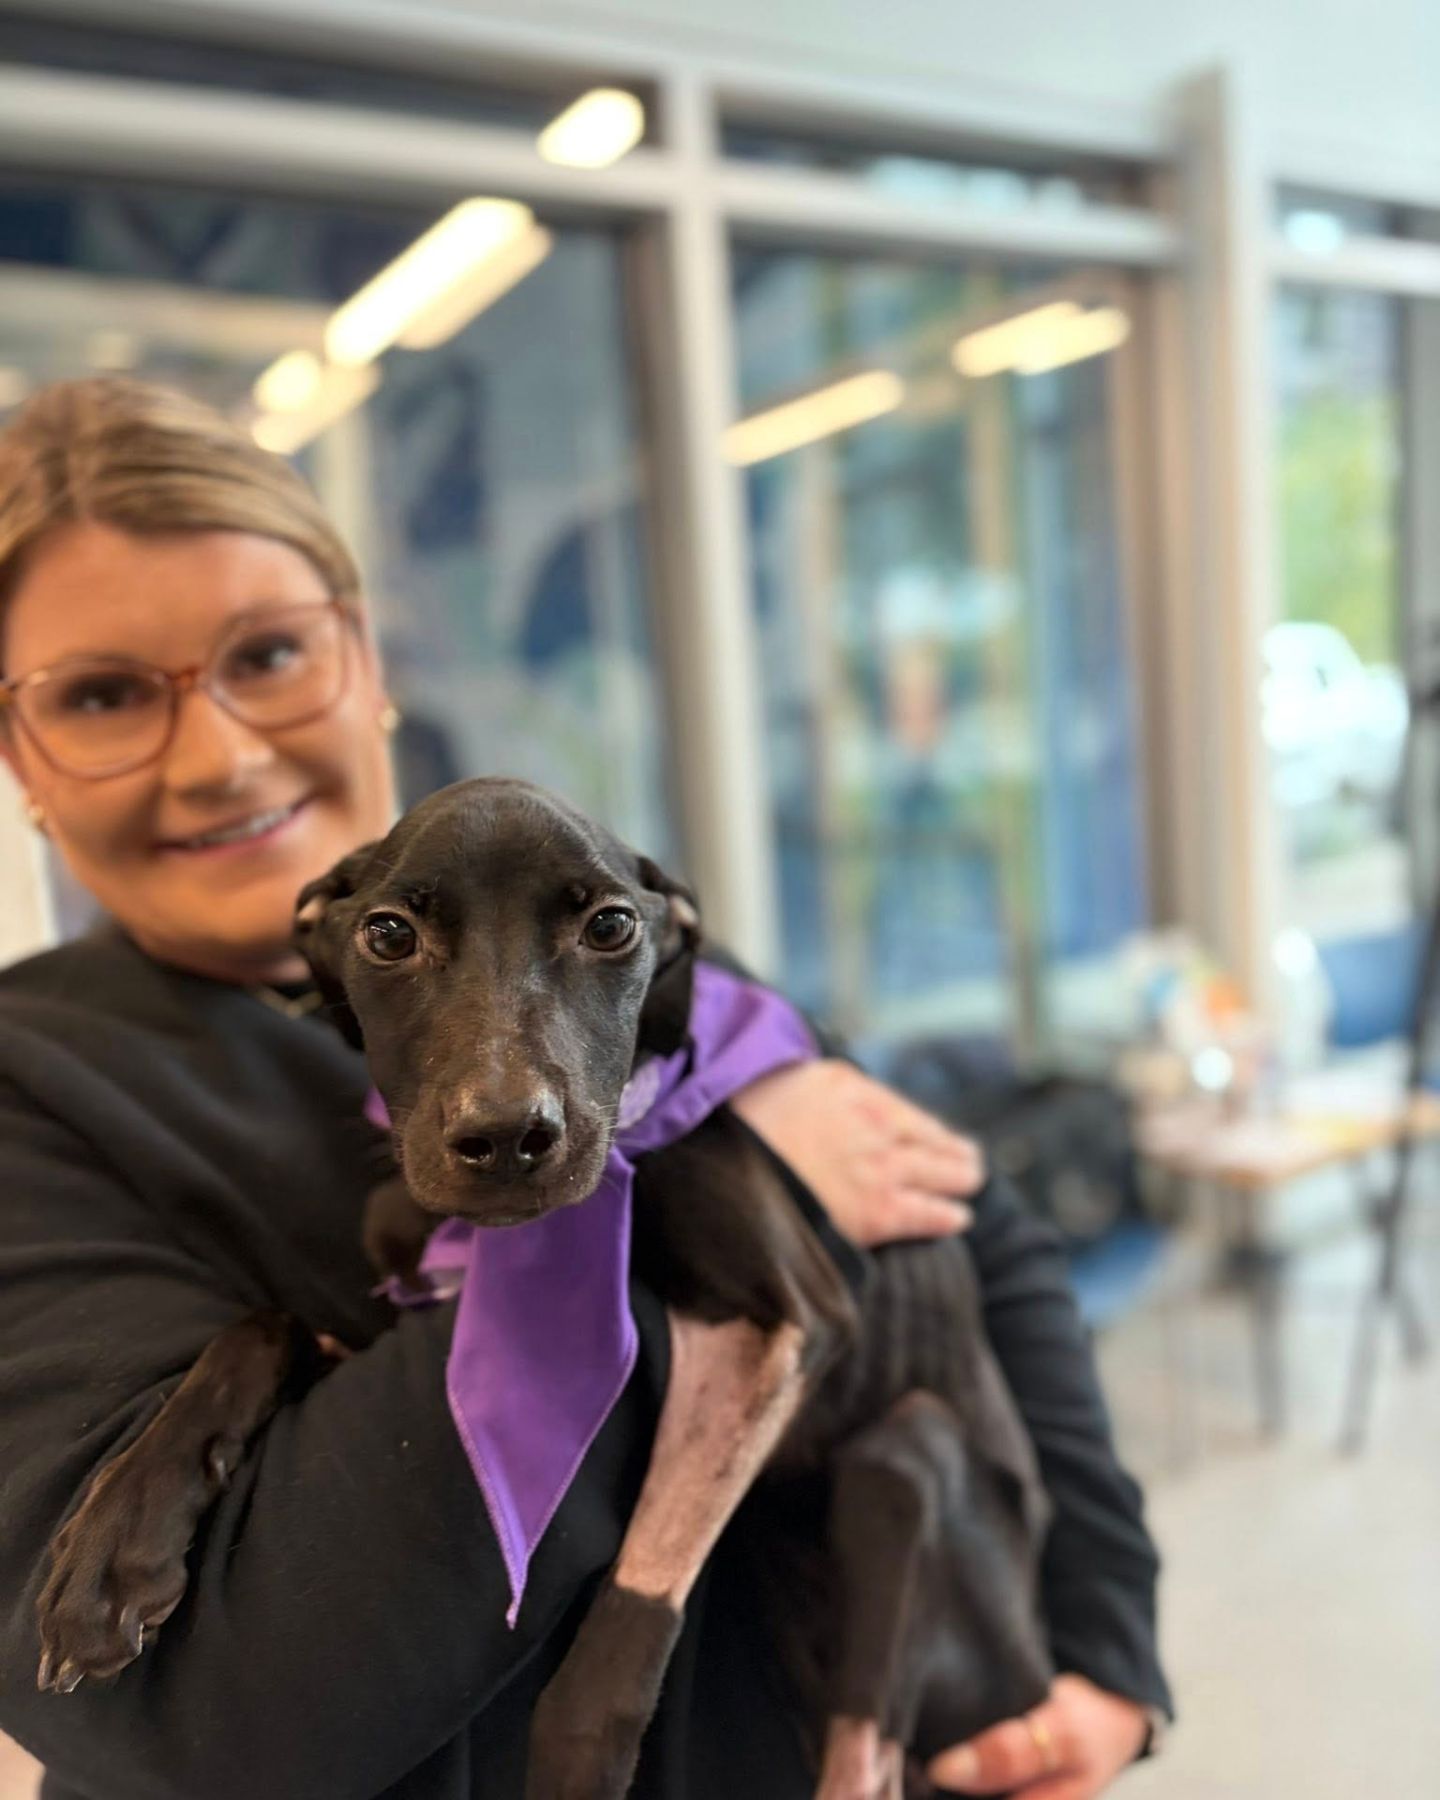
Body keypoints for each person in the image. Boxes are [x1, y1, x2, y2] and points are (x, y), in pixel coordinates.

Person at [0, 378, 1170, 1799]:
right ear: (22, 755)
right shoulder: (36, 1088)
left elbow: (967, 1223)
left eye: (270, 655)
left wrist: (1108, 1647)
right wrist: (764, 1197)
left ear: (364, 665)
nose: (223, 753)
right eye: (106, 693)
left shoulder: (607, 929)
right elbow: (217, 1712)